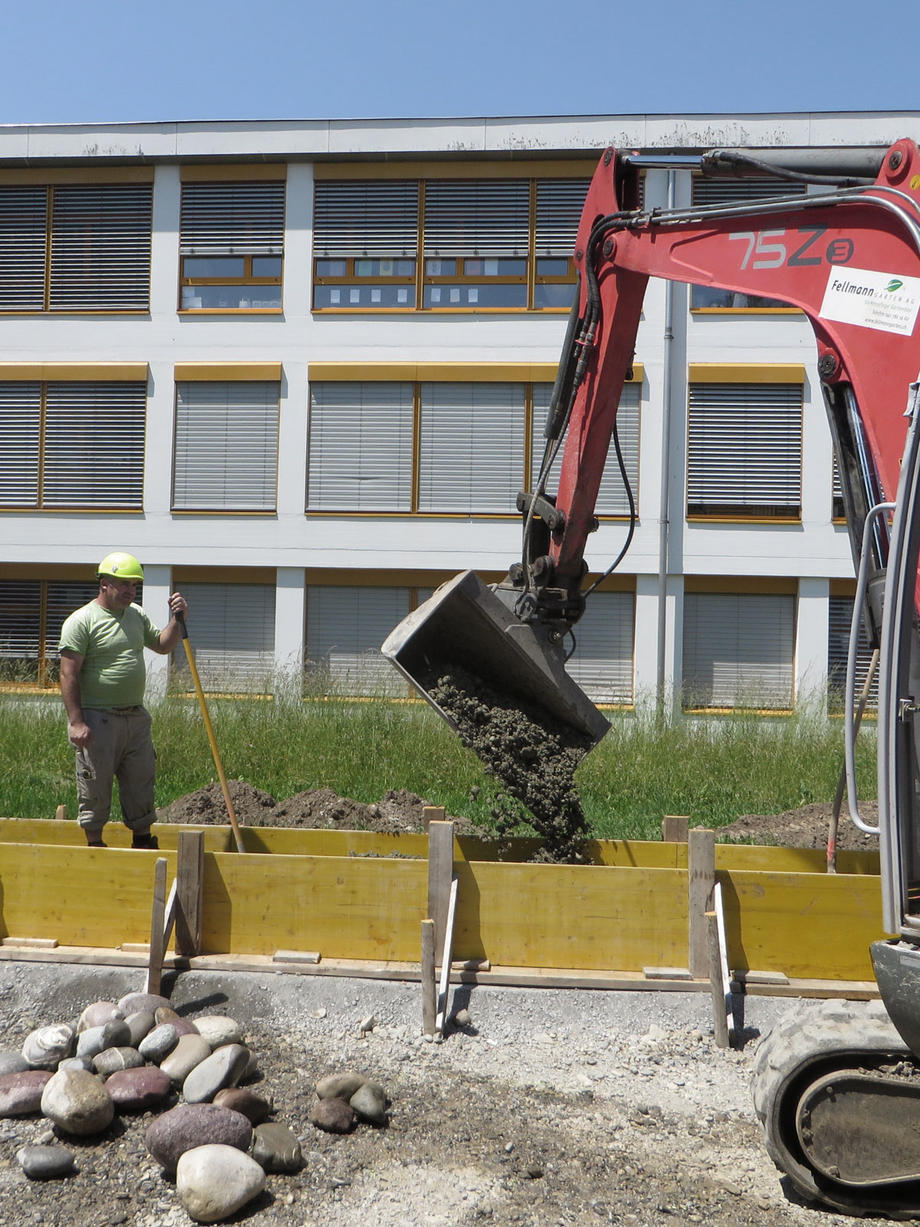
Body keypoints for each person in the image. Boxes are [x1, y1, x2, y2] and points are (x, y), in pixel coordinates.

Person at [58, 552, 188, 849]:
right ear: (104, 584)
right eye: (124, 585)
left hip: (135, 718)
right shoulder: (82, 621)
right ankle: (95, 845)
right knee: (95, 785)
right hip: (97, 719)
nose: (131, 591)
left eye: (134, 585)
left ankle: (142, 842)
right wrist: (76, 722)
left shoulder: (136, 615)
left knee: (141, 781)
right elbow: (68, 673)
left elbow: (162, 645)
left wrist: (176, 620)